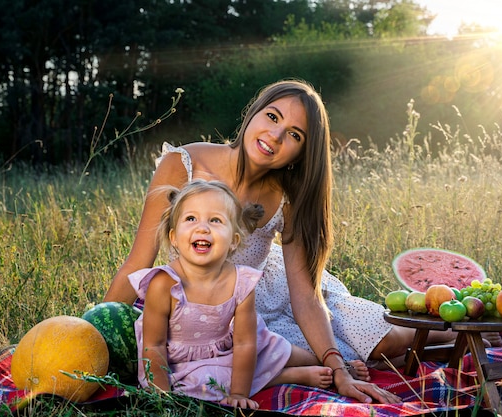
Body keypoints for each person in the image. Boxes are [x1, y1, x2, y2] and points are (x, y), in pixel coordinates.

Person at [105, 78, 458, 404]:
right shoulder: (183, 164)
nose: (274, 136)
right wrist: (92, 331)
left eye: (294, 135)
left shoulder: (287, 195)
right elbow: (138, 262)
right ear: (254, 112)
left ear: (302, 153)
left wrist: (334, 365)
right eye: (272, 116)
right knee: (357, 358)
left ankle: (458, 333)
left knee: (385, 342)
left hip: (276, 291)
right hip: (228, 309)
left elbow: (305, 296)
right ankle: (453, 344)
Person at [131, 179, 356, 409]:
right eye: (191, 219)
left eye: (215, 220)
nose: (202, 228)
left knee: (272, 348)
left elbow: (245, 343)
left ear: (233, 241)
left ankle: (338, 366)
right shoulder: (164, 284)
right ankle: (284, 377)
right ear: (174, 238)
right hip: (178, 363)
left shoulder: (240, 282)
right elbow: (154, 345)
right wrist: (162, 397)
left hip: (227, 346)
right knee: (204, 383)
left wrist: (238, 394)